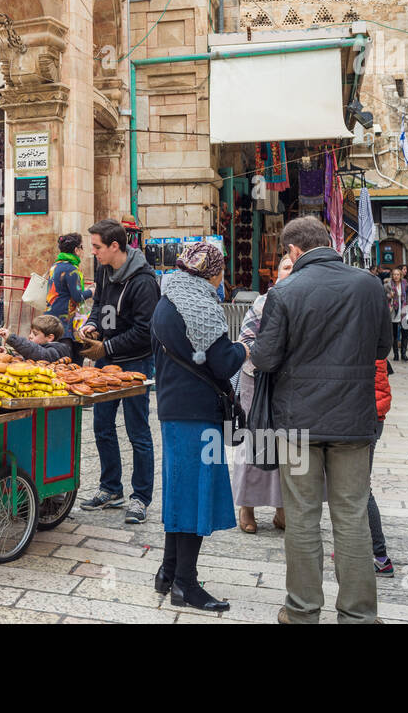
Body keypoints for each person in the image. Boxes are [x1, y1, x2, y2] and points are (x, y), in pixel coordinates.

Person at [249, 216, 390, 624]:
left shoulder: (286, 290)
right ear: (328, 242)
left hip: (298, 422)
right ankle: (359, 614)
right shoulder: (368, 284)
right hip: (353, 417)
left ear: (294, 251)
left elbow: (266, 358)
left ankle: (302, 610)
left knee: (303, 515)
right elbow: (382, 346)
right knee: (351, 515)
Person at [150, 241, 248, 611]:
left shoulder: (166, 298)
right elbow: (223, 363)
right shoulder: (199, 304)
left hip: (173, 407)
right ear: (214, 272)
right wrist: (246, 348)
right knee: (193, 495)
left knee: (180, 489)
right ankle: (186, 586)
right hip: (196, 411)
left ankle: (168, 571)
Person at [78, 218, 160, 525]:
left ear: (115, 246)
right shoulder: (103, 269)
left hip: (136, 362)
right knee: (102, 425)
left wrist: (106, 349)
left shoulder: (144, 282)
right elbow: (99, 304)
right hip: (106, 359)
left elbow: (144, 331)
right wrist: (92, 325)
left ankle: (140, 498)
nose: (93, 252)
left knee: (138, 431)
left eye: (97, 247)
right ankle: (111, 488)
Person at [233, 253, 292, 534]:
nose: (290, 271)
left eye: (295, 266)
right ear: (277, 274)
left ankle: (283, 509)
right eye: (286, 266)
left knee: (288, 445)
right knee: (254, 442)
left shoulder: (304, 300)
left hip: (290, 385)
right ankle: (247, 505)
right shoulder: (262, 302)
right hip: (257, 381)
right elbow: (245, 340)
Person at [369, 355, 393, 575]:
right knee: (353, 488)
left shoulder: (364, 334)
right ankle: (357, 546)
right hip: (372, 415)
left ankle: (381, 556)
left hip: (366, 416)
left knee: (358, 489)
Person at [46, 233, 92, 338]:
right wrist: (92, 291)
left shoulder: (56, 265)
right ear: (76, 250)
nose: (83, 251)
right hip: (64, 319)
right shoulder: (71, 269)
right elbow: (77, 297)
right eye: (82, 247)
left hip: (52, 315)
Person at [0, 314, 74, 363]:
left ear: (49, 337)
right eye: (30, 332)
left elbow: (38, 354)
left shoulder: (55, 351)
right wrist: (9, 354)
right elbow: (28, 358)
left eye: (35, 334)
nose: (30, 336)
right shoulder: (40, 349)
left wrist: (12, 338)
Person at [386, 267, 408, 361]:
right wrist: (390, 296)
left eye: (398, 274)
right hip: (393, 311)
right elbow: (383, 297)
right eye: (394, 274)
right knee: (394, 334)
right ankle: (396, 354)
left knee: (405, 333)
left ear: (400, 275)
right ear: (392, 275)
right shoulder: (388, 285)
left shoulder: (406, 284)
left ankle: (404, 354)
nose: (396, 276)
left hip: (405, 311)